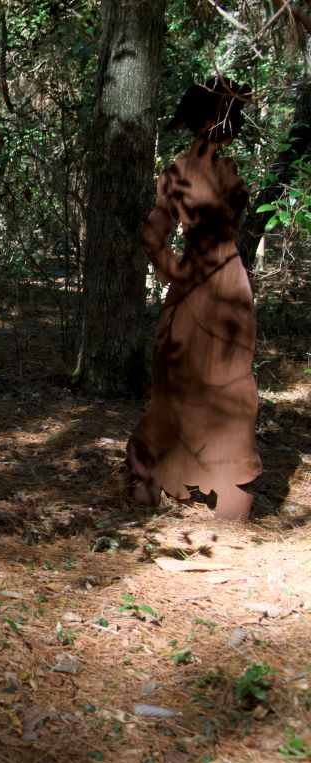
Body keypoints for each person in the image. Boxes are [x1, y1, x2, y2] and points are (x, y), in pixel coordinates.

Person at [127, 77, 261, 520]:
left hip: (201, 288)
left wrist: (176, 274)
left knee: (190, 383)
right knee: (222, 384)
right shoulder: (219, 172)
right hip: (224, 286)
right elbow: (151, 235)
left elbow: (151, 234)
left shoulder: (180, 172)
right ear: (214, 119)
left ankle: (153, 483)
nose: (237, 124)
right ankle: (228, 500)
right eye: (233, 115)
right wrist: (174, 274)